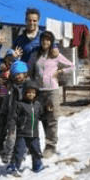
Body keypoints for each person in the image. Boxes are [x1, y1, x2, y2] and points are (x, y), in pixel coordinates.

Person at [30, 30, 73, 158]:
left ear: (51, 42)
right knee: (38, 118)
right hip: (38, 91)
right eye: (43, 39)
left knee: (52, 118)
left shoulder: (55, 55)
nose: (45, 42)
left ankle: (51, 146)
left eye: (48, 40)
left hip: (52, 91)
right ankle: (34, 145)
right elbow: (29, 69)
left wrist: (60, 71)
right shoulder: (35, 54)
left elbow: (71, 66)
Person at [5, 80, 45, 175]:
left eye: (33, 92)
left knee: (36, 151)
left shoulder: (38, 105)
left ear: (36, 94)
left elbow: (42, 116)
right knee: (19, 151)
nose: (31, 94)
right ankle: (14, 166)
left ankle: (37, 165)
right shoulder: (20, 104)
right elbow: (13, 118)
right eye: (29, 92)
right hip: (22, 133)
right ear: (24, 93)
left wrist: (49, 111)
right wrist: (11, 128)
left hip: (34, 134)